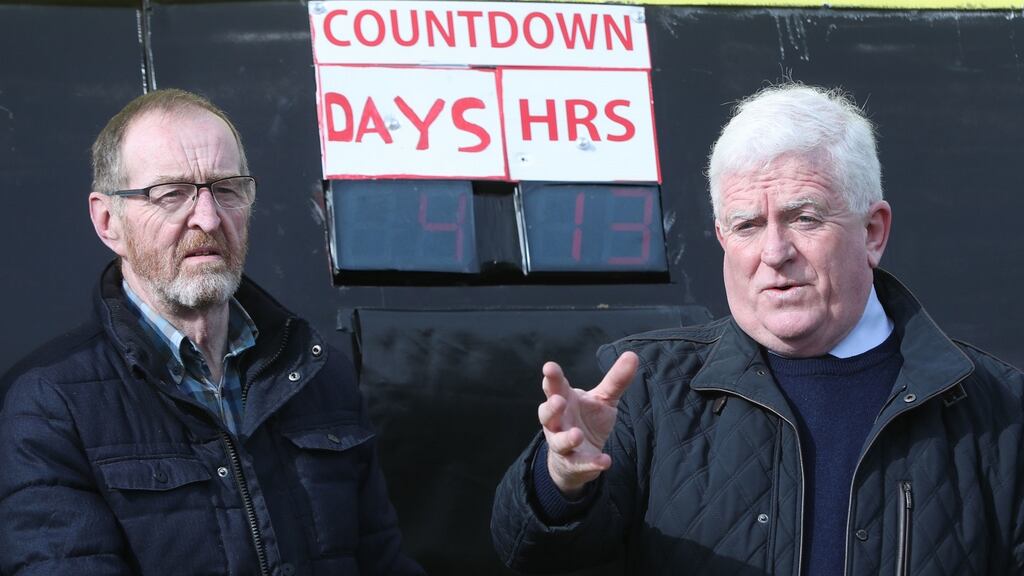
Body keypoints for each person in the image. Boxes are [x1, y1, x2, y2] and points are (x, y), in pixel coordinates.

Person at [491, 83, 1024, 575]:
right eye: (748, 225)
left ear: (872, 232)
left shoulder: (1000, 410)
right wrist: (561, 484)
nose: (774, 253)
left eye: (804, 218)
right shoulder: (647, 388)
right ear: (723, 239)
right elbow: (532, 557)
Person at [0, 89, 423, 576]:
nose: (207, 217)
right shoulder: (50, 406)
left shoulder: (321, 377)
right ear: (108, 221)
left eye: (226, 189)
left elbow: (383, 562)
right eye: (171, 194)